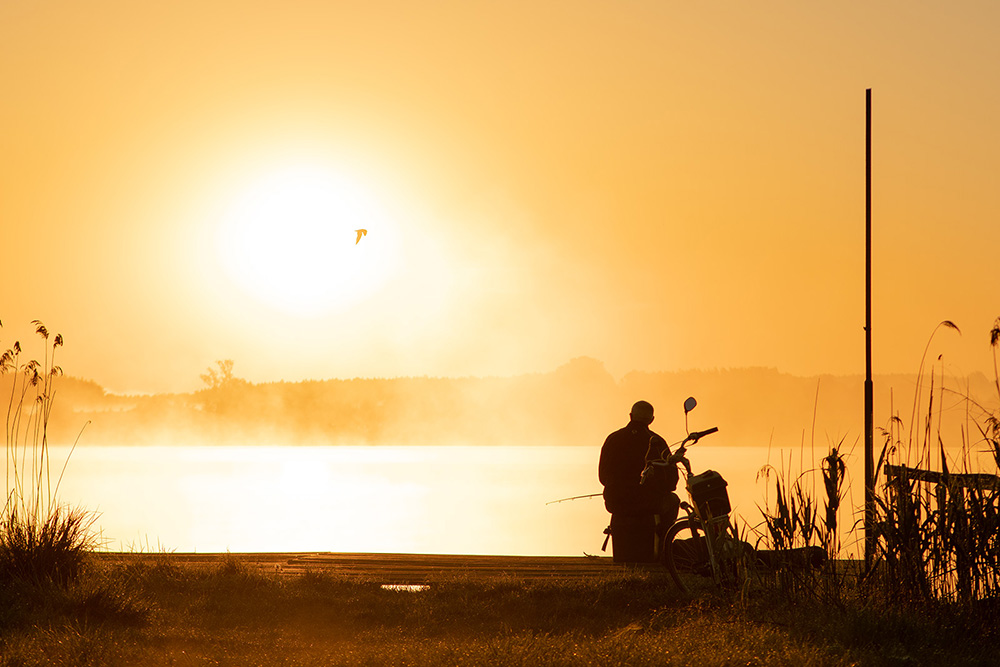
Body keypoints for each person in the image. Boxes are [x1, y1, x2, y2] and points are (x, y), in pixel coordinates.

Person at [599, 400, 681, 562]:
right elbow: (672, 483)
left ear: (630, 416)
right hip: (648, 503)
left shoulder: (613, 439)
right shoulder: (657, 442)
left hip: (616, 502)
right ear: (651, 420)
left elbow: (602, 478)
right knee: (673, 500)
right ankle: (664, 550)